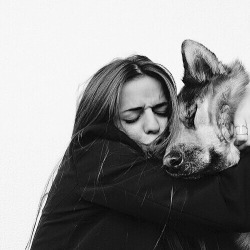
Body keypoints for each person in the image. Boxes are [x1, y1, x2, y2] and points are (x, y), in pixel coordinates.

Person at [27, 55, 250, 250]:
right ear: (107, 117)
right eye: (133, 116)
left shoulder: (160, 176)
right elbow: (231, 203)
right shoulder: (95, 155)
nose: (153, 125)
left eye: (162, 111)